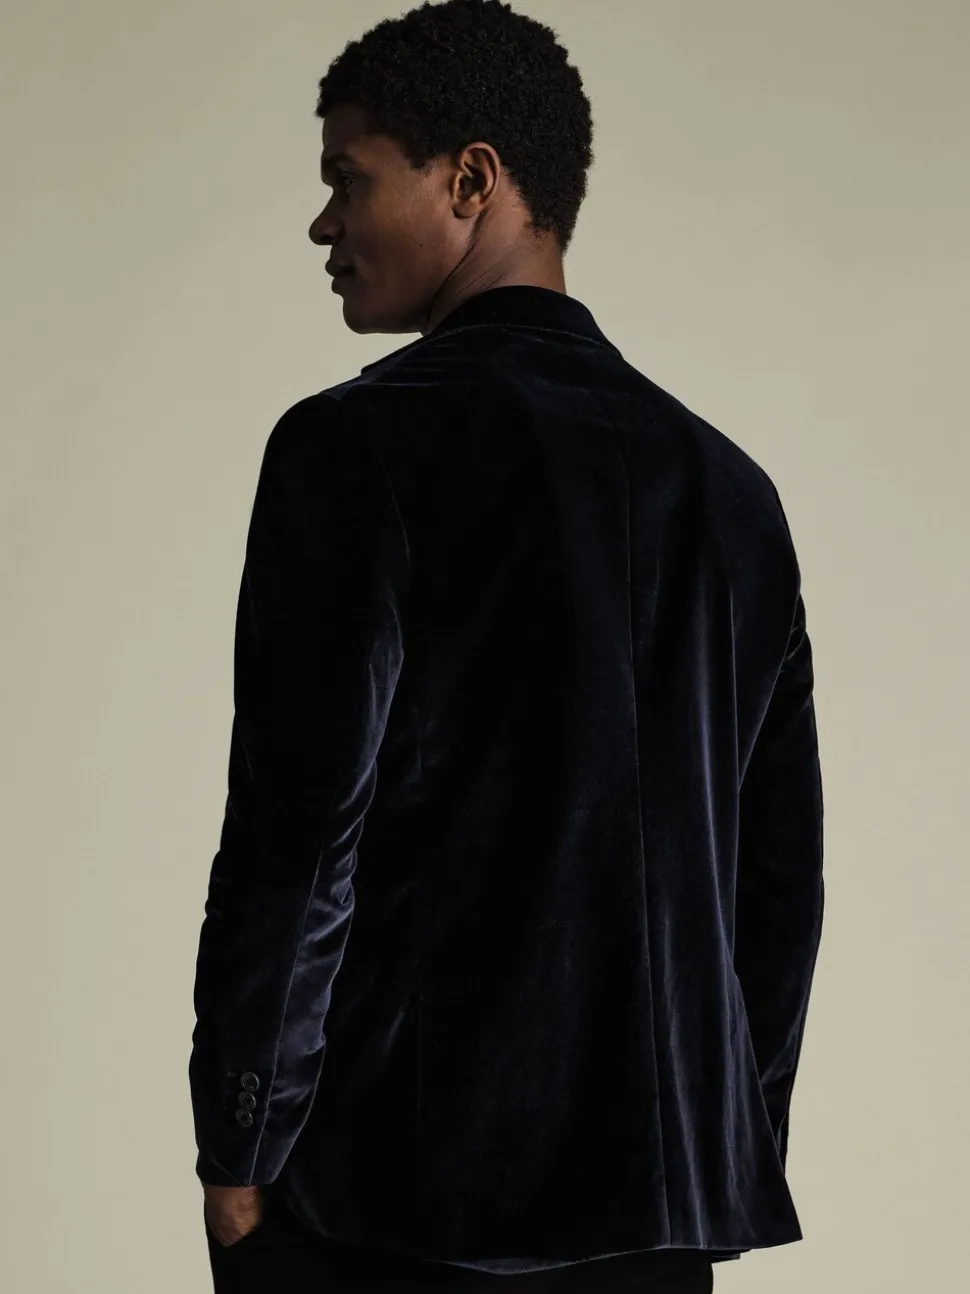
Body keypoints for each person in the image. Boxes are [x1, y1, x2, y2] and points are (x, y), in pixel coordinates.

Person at [188, 2, 825, 1291]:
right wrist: (719, 1153)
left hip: (395, 1206)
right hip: (662, 1217)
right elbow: (777, 885)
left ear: (471, 179)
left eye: (348, 179)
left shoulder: (353, 447)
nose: (323, 225)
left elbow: (301, 832)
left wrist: (239, 1146)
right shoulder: (730, 491)